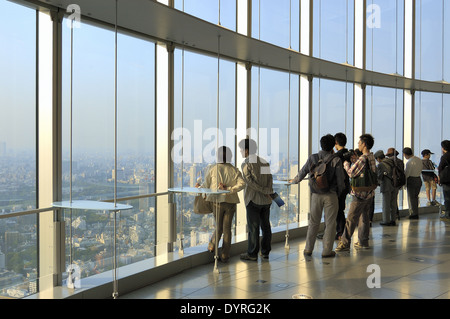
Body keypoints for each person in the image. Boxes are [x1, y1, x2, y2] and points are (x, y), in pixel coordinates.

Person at [289, 134, 345, 258]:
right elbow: (341, 181)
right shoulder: (336, 160)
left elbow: (302, 172)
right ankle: (326, 251)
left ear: (321, 145)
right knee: (330, 223)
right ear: (332, 146)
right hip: (331, 195)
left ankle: (308, 249)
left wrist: (293, 181)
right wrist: (339, 192)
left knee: (313, 222)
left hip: (315, 194)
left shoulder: (313, 158)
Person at [199, 146, 245, 262]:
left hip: (217, 202)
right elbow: (242, 184)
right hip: (230, 202)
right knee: (227, 228)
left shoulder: (213, 169)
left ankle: (212, 245)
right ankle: (225, 255)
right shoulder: (234, 170)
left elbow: (206, 184)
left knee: (218, 226)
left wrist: (198, 188)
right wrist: (229, 189)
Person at [336, 134, 376, 252]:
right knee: (364, 218)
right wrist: (355, 160)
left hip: (360, 195)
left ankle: (345, 243)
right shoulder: (371, 157)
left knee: (351, 219)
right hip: (369, 193)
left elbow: (351, 173)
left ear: (364, 144)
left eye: (359, 142)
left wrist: (346, 163)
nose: (358, 144)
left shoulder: (363, 158)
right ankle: (363, 242)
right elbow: (366, 170)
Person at [238, 138, 274, 261]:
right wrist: (268, 191)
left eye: (241, 149)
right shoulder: (263, 162)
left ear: (246, 150)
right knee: (266, 227)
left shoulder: (246, 164)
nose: (241, 152)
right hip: (266, 200)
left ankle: (252, 254)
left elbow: (250, 183)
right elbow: (269, 179)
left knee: (253, 228)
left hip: (253, 200)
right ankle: (265, 252)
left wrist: (263, 190)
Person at [374, 150, 398, 226]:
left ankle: (386, 221)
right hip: (395, 184)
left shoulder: (381, 165)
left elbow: (379, 176)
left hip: (386, 186)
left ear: (378, 158)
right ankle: (393, 220)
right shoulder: (392, 161)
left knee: (386, 204)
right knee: (393, 203)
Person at [403, 147, 423, 220]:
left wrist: (404, 184)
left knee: (411, 198)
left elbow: (407, 174)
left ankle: (413, 214)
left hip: (411, 180)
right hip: (418, 179)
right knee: (415, 197)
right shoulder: (419, 159)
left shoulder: (409, 162)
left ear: (405, 154)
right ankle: (415, 213)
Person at [385, 147, 404, 220]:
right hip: (398, 182)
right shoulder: (400, 161)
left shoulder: (388, 161)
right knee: (394, 199)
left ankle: (391, 216)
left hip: (390, 182)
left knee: (389, 201)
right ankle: (396, 214)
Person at [438, 140, 450, 219]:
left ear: (443, 148)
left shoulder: (445, 156)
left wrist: (439, 179)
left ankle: (448, 214)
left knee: (447, 198)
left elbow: (440, 168)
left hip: (447, 180)